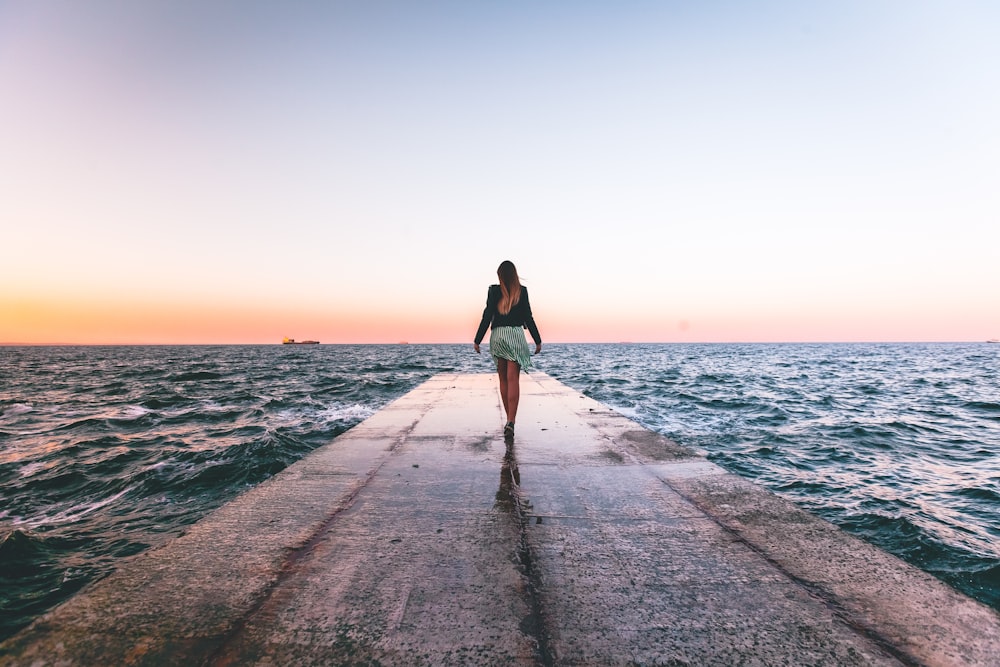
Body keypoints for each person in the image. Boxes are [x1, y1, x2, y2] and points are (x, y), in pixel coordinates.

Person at [474, 260, 542, 437]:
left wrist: (478, 339)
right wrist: (537, 339)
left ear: (500, 276)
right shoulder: (522, 291)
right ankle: (511, 420)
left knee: (503, 380)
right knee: (513, 380)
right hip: (515, 336)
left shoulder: (493, 290)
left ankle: (508, 420)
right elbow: (528, 316)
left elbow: (487, 315)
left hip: (498, 336)